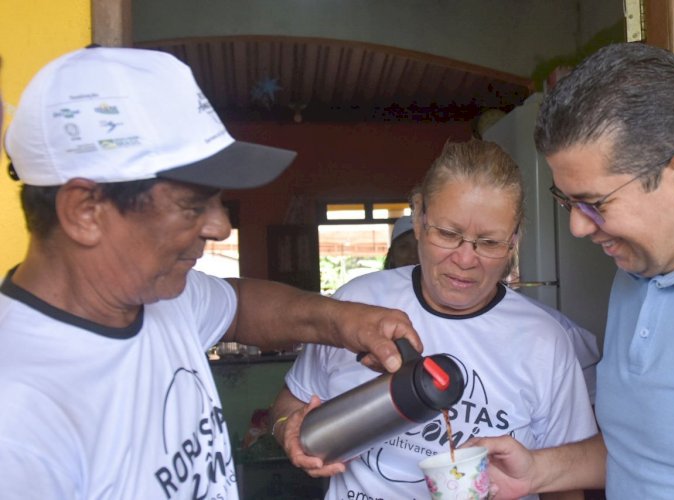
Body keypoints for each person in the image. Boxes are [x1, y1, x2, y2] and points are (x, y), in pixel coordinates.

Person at [0, 46, 423, 499]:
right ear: (85, 211)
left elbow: (239, 304)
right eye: (192, 204)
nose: (220, 226)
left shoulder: (163, 298)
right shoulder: (19, 419)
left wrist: (346, 321)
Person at [469, 42, 674, 499]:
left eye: (595, 204)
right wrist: (536, 471)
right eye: (567, 203)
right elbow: (644, 453)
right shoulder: (638, 268)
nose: (578, 227)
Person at [270, 139, 597, 500]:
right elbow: (291, 403)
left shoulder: (544, 340)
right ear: (419, 215)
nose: (465, 259)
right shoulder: (357, 304)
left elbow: (565, 484)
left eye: (488, 242)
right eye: (448, 234)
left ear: (514, 239)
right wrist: (288, 429)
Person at [385, 215, 600, 403]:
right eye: (404, 248)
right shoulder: (368, 305)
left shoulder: (551, 331)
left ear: (509, 248)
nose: (465, 259)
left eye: (488, 242)